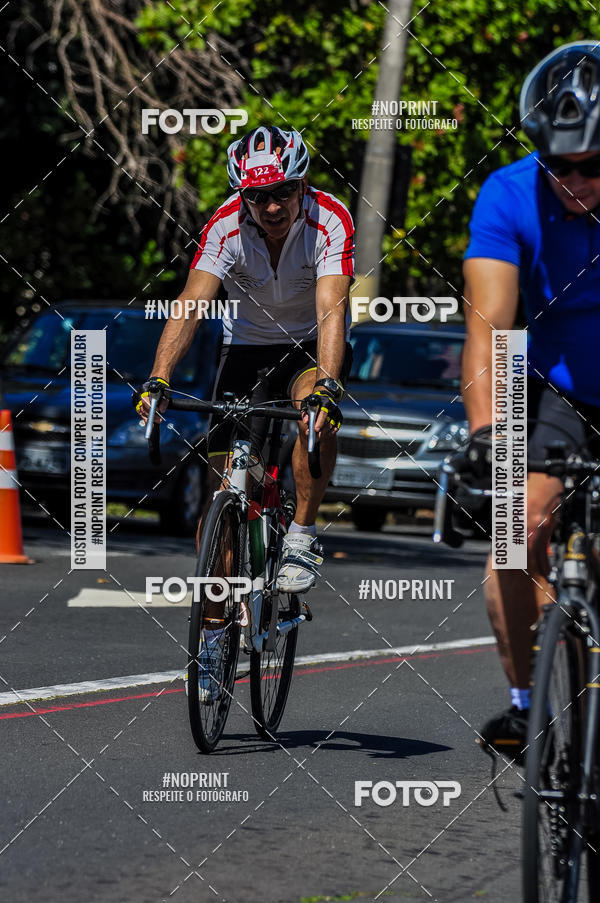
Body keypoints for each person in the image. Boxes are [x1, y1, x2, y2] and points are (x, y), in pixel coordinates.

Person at [135, 125, 354, 700]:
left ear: (301, 184)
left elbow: (333, 308)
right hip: (246, 351)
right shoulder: (225, 227)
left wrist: (328, 387)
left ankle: (302, 531)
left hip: (310, 344)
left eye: (282, 191)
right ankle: (212, 639)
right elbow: (190, 304)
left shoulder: (330, 219)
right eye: (258, 196)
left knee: (314, 410)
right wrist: (158, 379)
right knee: (221, 494)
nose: (272, 206)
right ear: (242, 196)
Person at [461, 41, 600, 762]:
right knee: (513, 539)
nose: (575, 178)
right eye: (559, 162)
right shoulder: (509, 194)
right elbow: (488, 329)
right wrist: (486, 432)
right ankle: (526, 704)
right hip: (555, 391)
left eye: (593, 164)